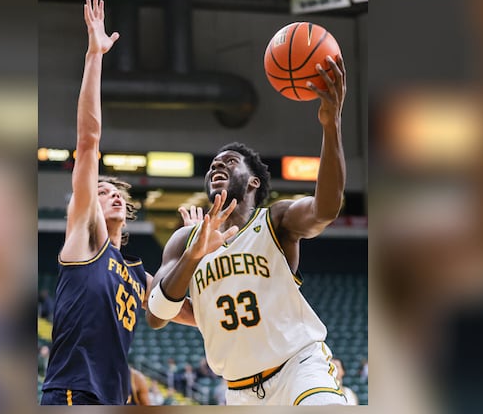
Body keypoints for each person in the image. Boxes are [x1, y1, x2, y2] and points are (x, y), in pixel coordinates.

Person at [146, 53, 349, 405]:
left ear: (253, 181)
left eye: (228, 162)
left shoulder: (276, 221)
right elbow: (156, 316)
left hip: (298, 368)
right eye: (212, 166)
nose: (216, 167)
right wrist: (195, 255)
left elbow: (325, 209)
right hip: (240, 391)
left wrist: (331, 127)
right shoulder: (184, 240)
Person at [40, 0, 195, 405]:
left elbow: (187, 314)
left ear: (127, 209)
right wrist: (95, 56)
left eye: (113, 193)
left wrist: (203, 251)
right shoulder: (86, 240)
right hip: (73, 393)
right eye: (99, 192)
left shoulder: (137, 276)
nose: (106, 196)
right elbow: (88, 142)